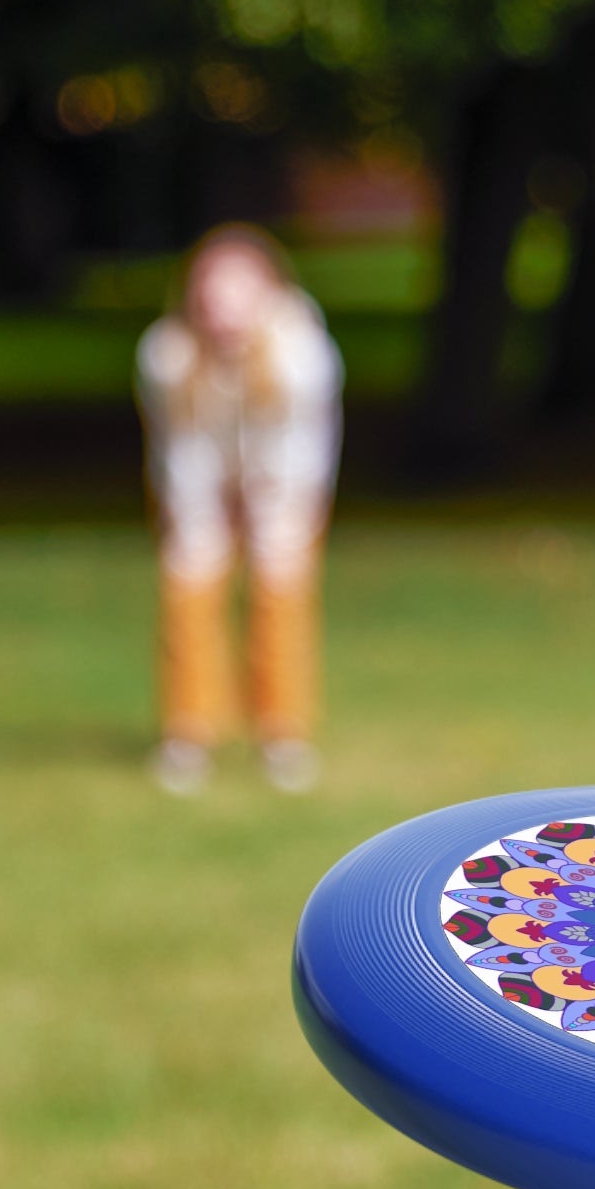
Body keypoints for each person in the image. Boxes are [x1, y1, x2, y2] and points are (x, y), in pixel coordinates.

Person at [136, 224, 343, 795]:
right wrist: (202, 517)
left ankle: (283, 734)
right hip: (198, 483)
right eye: (212, 291)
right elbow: (180, 449)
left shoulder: (302, 354)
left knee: (281, 592)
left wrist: (268, 510)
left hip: (284, 485)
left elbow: (301, 449)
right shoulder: (167, 355)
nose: (223, 308)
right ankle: (189, 733)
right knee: (189, 585)